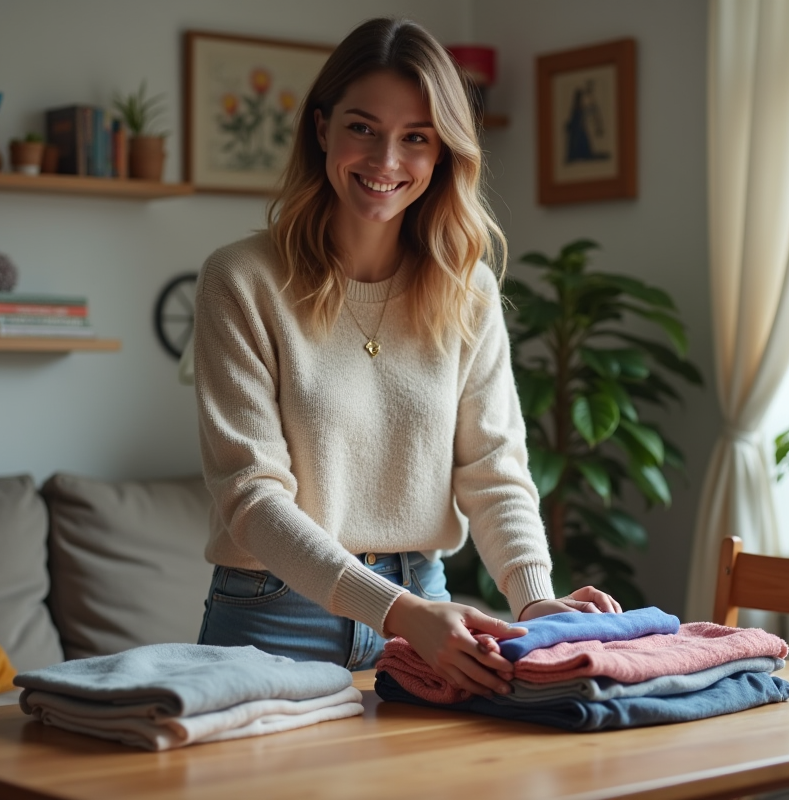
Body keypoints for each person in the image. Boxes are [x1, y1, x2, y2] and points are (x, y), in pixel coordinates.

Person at [193, 16, 620, 699]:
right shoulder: (240, 280)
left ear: (443, 153)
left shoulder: (467, 289)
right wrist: (402, 614)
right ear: (321, 127)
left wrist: (534, 600)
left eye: (416, 138)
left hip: (425, 601)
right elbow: (251, 497)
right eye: (363, 127)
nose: (386, 161)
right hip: (277, 617)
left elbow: (493, 470)